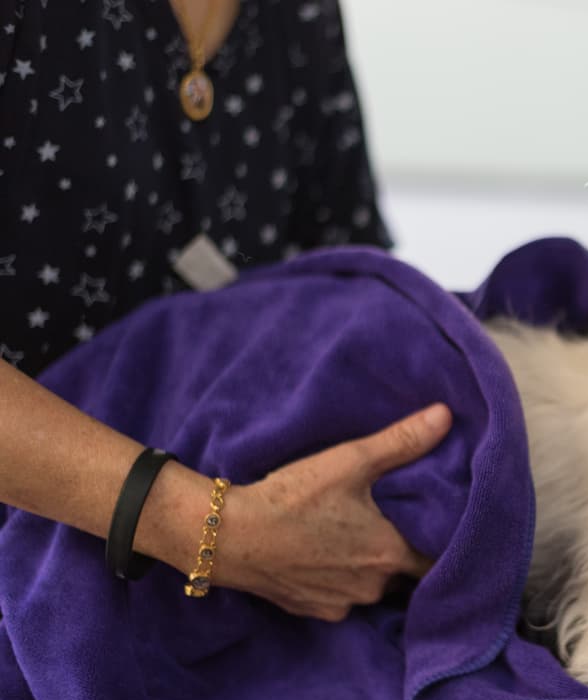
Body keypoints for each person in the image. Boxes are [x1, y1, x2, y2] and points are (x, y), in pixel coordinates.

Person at [0, 0, 451, 621]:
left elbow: (349, 304)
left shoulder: (300, 17)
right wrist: (217, 531)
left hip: (243, 558)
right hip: (42, 559)